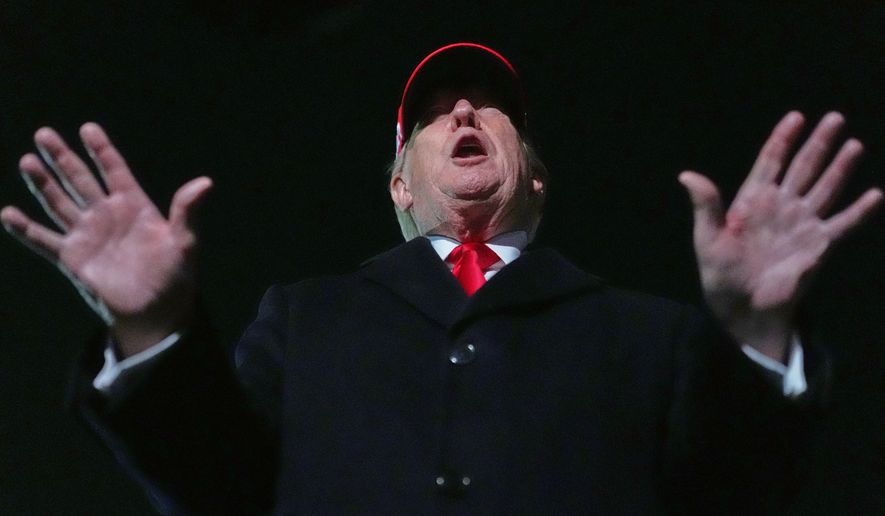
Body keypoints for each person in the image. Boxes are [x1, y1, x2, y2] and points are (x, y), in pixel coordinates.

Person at [2, 42, 881, 514]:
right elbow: (216, 493)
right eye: (431, 115)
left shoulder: (649, 333)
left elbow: (730, 498)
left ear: (534, 176)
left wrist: (756, 336)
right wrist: (155, 332)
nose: (461, 111)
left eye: (485, 106)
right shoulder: (305, 317)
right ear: (398, 184)